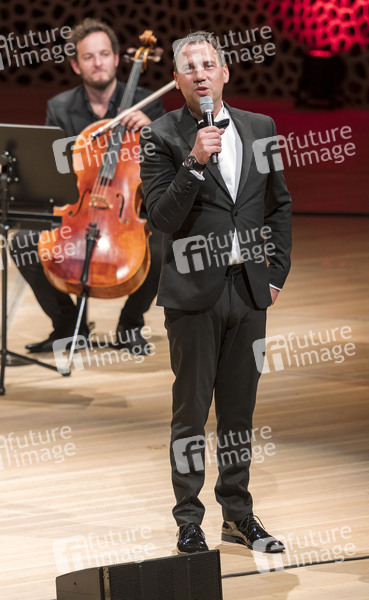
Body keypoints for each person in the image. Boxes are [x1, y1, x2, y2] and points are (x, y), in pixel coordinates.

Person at [139, 31, 292, 554]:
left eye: (208, 64)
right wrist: (194, 161)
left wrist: (275, 274)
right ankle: (188, 519)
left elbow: (278, 204)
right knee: (191, 413)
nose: (200, 74)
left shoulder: (260, 127)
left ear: (225, 72)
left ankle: (238, 516)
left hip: (249, 291)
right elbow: (162, 217)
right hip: (193, 296)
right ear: (176, 80)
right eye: (189, 67)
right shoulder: (161, 135)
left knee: (239, 412)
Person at [10, 18, 164, 354]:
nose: (98, 63)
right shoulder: (60, 107)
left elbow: (165, 166)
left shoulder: (146, 102)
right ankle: (69, 325)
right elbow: (54, 170)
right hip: (78, 204)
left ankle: (130, 325)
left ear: (116, 58)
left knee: (162, 245)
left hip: (127, 207)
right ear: (76, 65)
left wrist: (154, 131)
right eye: (89, 57)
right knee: (22, 242)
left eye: (104, 54)